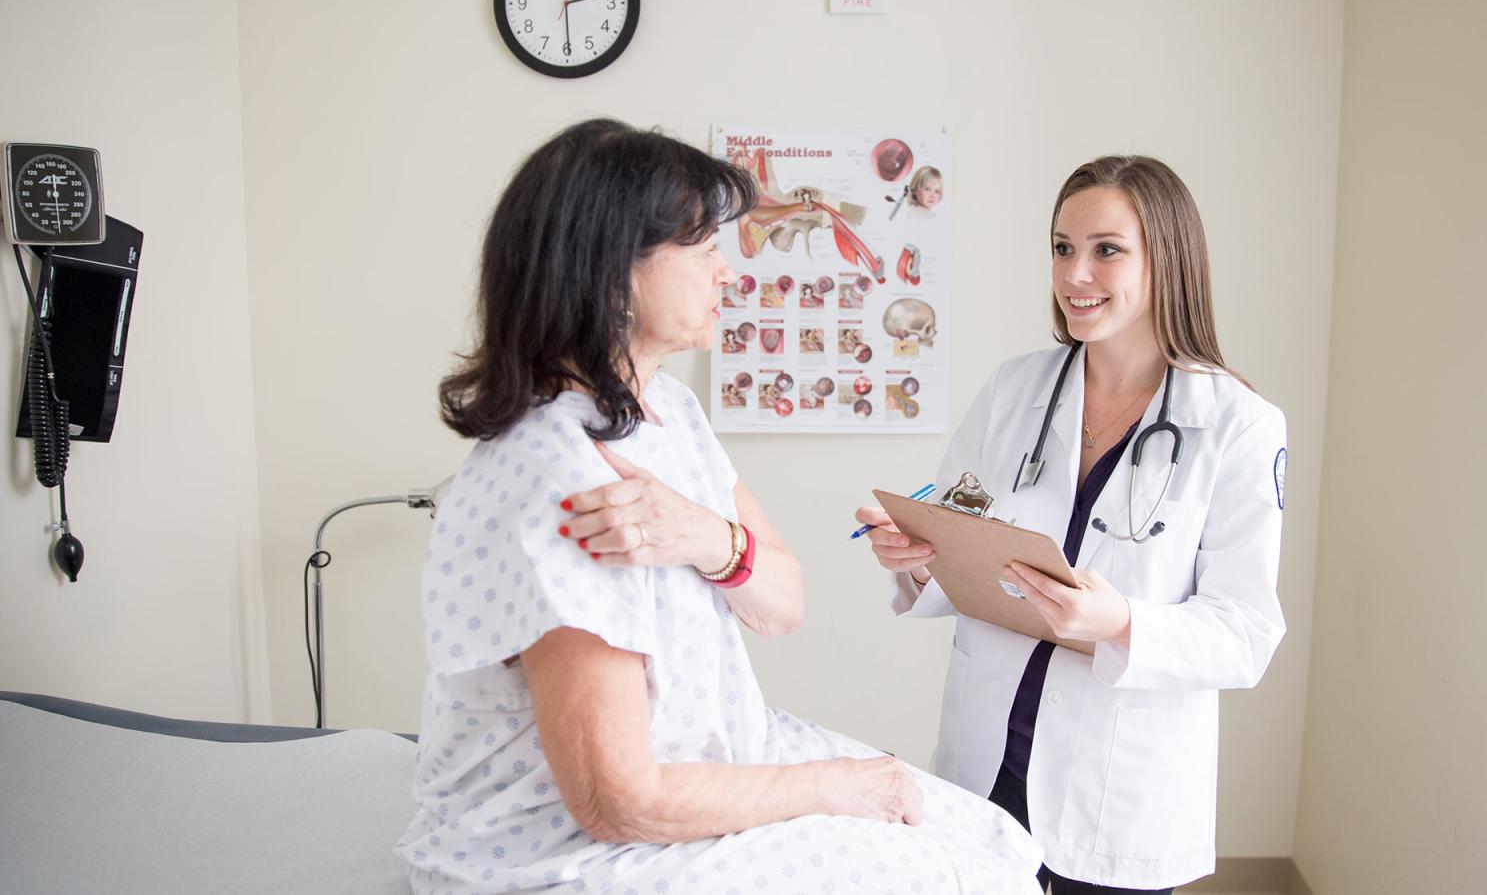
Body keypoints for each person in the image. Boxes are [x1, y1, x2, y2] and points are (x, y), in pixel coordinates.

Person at [394, 119, 1042, 894]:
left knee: (989, 839)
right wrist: (835, 787)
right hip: (568, 850)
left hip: (713, 764)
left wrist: (708, 537)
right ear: (612, 273)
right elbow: (616, 800)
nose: (727, 272)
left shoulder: (667, 412)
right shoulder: (562, 483)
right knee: (965, 880)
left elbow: (783, 603)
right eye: (704, 251)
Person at [855, 155, 1288, 892]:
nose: (1075, 274)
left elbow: (1245, 631)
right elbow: (962, 532)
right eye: (1062, 248)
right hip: (986, 766)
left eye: (1106, 250)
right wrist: (918, 556)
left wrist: (1120, 621)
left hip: (1116, 787)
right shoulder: (1013, 389)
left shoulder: (1239, 426)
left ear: (1168, 261)